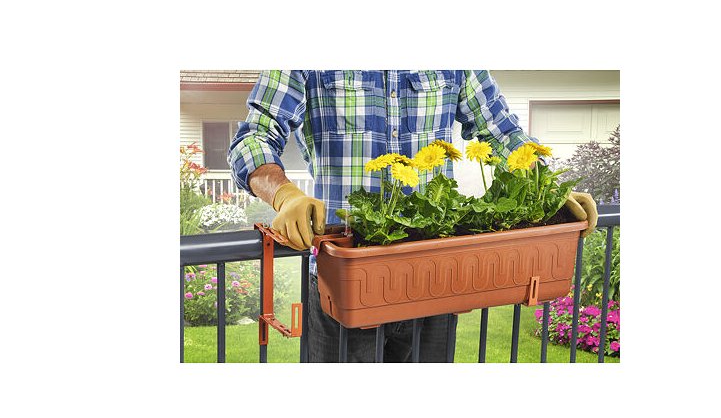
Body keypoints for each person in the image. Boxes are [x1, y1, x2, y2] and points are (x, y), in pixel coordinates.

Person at [228, 70, 598, 362]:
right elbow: (254, 137)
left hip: (434, 277)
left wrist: (548, 188)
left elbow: (502, 132)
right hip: (346, 284)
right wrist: (284, 194)